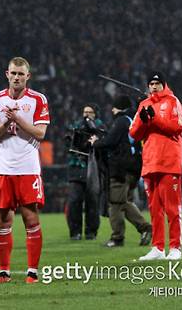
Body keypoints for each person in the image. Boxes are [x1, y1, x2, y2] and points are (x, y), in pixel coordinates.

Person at [0, 57, 50, 284]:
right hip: (2, 169)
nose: (16, 77)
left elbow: (40, 133)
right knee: (2, 219)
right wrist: (6, 123)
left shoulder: (38, 100)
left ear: (27, 76)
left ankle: (32, 272)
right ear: (7, 74)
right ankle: (4, 271)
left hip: (28, 168)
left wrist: (18, 119)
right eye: (13, 73)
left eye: (21, 74)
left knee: (30, 218)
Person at [129, 72, 182, 261]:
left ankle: (175, 247)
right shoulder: (144, 105)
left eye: (157, 83)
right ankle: (158, 248)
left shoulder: (173, 101)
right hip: (150, 163)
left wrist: (155, 119)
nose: (153, 86)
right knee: (154, 209)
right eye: (151, 83)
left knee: (172, 208)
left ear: (164, 84)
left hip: (169, 162)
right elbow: (134, 134)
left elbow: (177, 127)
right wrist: (145, 122)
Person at [91, 95, 152, 248]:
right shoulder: (131, 120)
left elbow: (111, 141)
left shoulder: (121, 121)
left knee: (115, 203)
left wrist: (96, 142)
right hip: (133, 168)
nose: (112, 109)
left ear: (120, 107)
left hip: (121, 168)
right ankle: (144, 229)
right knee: (124, 202)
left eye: (114, 106)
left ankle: (120, 236)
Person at [65, 105, 104, 241]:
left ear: (95, 114)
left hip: (93, 168)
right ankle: (75, 232)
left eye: (90, 112)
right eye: (85, 112)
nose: (86, 115)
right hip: (77, 167)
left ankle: (91, 232)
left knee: (92, 201)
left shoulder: (100, 127)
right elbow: (68, 141)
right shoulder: (76, 125)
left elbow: (103, 141)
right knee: (74, 200)